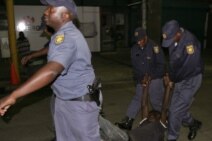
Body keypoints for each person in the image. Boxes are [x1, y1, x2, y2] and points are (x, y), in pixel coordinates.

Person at [0, 0, 100, 141]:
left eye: (51, 9)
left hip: (79, 104)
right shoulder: (60, 35)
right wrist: (33, 55)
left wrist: (14, 95)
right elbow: (53, 52)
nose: (45, 12)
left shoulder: (67, 37)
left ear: (65, 16)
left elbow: (52, 70)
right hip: (64, 100)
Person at [115, 27, 166, 130]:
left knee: (156, 101)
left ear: (145, 37)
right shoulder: (134, 49)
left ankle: (164, 121)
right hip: (141, 79)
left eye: (140, 40)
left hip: (155, 79)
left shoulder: (154, 47)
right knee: (138, 98)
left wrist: (150, 76)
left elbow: (161, 66)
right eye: (137, 40)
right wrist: (139, 80)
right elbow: (135, 68)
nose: (139, 42)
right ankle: (128, 121)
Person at [161, 20, 204, 141]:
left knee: (175, 111)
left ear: (178, 33)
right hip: (180, 78)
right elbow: (172, 61)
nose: (169, 43)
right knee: (176, 109)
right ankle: (193, 123)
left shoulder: (190, 44)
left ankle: (172, 137)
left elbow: (188, 68)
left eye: (171, 39)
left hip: (191, 79)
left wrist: (172, 79)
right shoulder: (175, 39)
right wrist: (168, 74)